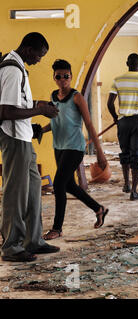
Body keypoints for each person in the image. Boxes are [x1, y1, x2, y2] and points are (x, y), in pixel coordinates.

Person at [0, 32, 60, 262]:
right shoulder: (12, 70)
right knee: (16, 193)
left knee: (33, 189)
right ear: (27, 49)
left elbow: (19, 104)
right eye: (39, 55)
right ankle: (11, 246)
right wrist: (40, 110)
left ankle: (33, 240)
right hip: (13, 138)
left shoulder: (19, 68)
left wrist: (38, 105)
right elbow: (6, 112)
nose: (39, 60)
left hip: (24, 137)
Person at [41, 59, 109, 240]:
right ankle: (99, 209)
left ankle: (57, 228)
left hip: (75, 147)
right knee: (69, 184)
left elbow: (88, 123)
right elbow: (56, 121)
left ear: (70, 77)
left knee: (58, 184)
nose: (63, 79)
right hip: (59, 146)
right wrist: (42, 130)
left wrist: (100, 152)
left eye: (66, 76)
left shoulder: (76, 97)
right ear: (54, 77)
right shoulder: (53, 96)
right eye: (59, 76)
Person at [107, 53, 138, 200]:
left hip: (124, 122)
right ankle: (134, 191)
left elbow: (109, 104)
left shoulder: (117, 80)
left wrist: (116, 118)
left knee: (125, 152)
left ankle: (126, 184)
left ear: (127, 63)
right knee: (136, 155)